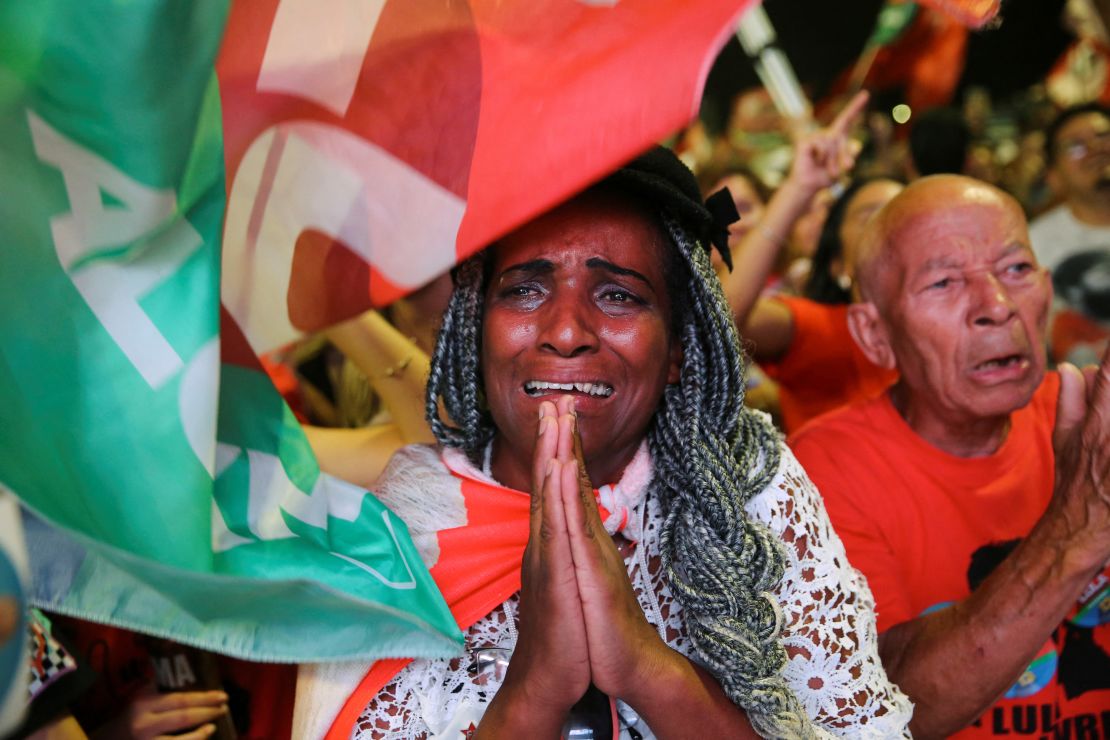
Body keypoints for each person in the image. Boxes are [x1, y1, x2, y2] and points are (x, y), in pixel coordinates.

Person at [293, 148, 912, 738]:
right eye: (524, 290)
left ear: (676, 350)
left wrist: (644, 664)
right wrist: (536, 682)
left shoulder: (746, 487)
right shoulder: (396, 535)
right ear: (475, 332)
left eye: (618, 294)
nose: (566, 331)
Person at [791, 174, 1110, 738]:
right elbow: (885, 708)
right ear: (874, 333)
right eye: (943, 283)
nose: (997, 306)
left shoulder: (1087, 420)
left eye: (1015, 270)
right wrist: (1075, 532)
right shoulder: (824, 472)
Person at [731, 176, 903, 432]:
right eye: (872, 218)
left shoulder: (964, 328)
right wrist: (798, 185)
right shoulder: (827, 331)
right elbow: (720, 315)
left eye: (908, 217)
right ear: (838, 265)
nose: (896, 228)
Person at [1028, 102, 1110, 366]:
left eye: (1104, 136)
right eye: (1076, 146)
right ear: (1053, 176)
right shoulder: (1032, 244)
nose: (1097, 150)